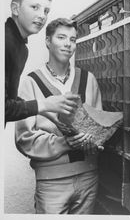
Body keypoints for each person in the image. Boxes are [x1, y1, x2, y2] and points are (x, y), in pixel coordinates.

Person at [15, 18, 103, 214]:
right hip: (51, 182)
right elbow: (24, 138)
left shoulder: (89, 79)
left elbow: (97, 129)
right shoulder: (30, 82)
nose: (68, 44)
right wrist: (66, 143)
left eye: (72, 39)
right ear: (48, 41)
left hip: (89, 176)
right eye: (61, 37)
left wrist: (93, 138)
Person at [5, 0, 78, 124]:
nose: (42, 16)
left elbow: (9, 99)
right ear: (15, 8)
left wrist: (45, 112)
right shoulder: (5, 42)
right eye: (34, 7)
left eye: (46, 11)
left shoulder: (21, 47)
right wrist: (45, 105)